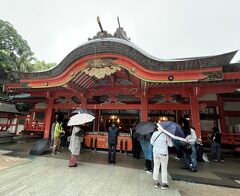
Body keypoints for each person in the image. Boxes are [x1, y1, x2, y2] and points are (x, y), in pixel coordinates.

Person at [150, 123, 173, 190]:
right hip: (163, 153)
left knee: (156, 167)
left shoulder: (154, 134)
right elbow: (170, 145)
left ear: (158, 128)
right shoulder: (167, 135)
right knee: (164, 168)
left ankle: (156, 182)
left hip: (155, 152)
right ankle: (164, 184)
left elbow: (151, 142)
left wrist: (157, 145)